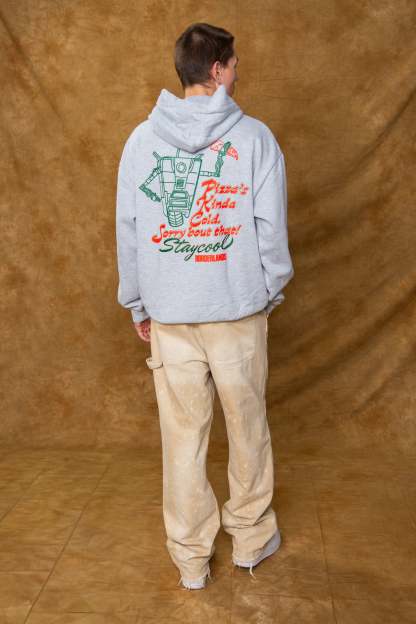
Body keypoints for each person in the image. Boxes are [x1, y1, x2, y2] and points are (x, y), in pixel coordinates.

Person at [115, 22, 294, 590]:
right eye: (234, 65)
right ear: (216, 71)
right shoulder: (255, 139)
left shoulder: (140, 141)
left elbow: (130, 230)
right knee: (248, 427)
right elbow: (271, 231)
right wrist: (268, 291)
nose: (238, 74)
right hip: (237, 312)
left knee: (182, 439)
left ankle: (191, 558)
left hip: (171, 316)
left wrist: (138, 302)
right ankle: (250, 538)